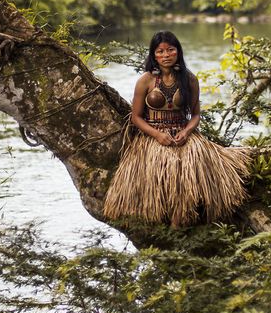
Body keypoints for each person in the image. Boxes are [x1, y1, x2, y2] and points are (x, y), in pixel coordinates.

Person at [103, 31, 252, 227]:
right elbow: (136, 117)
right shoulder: (146, 80)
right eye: (160, 51)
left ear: (178, 52)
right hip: (153, 138)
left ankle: (183, 217)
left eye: (170, 50)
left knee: (186, 170)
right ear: (154, 55)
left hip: (183, 134)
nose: (166, 55)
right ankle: (158, 213)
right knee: (164, 172)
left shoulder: (189, 79)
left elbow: (196, 115)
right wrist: (157, 134)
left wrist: (187, 131)